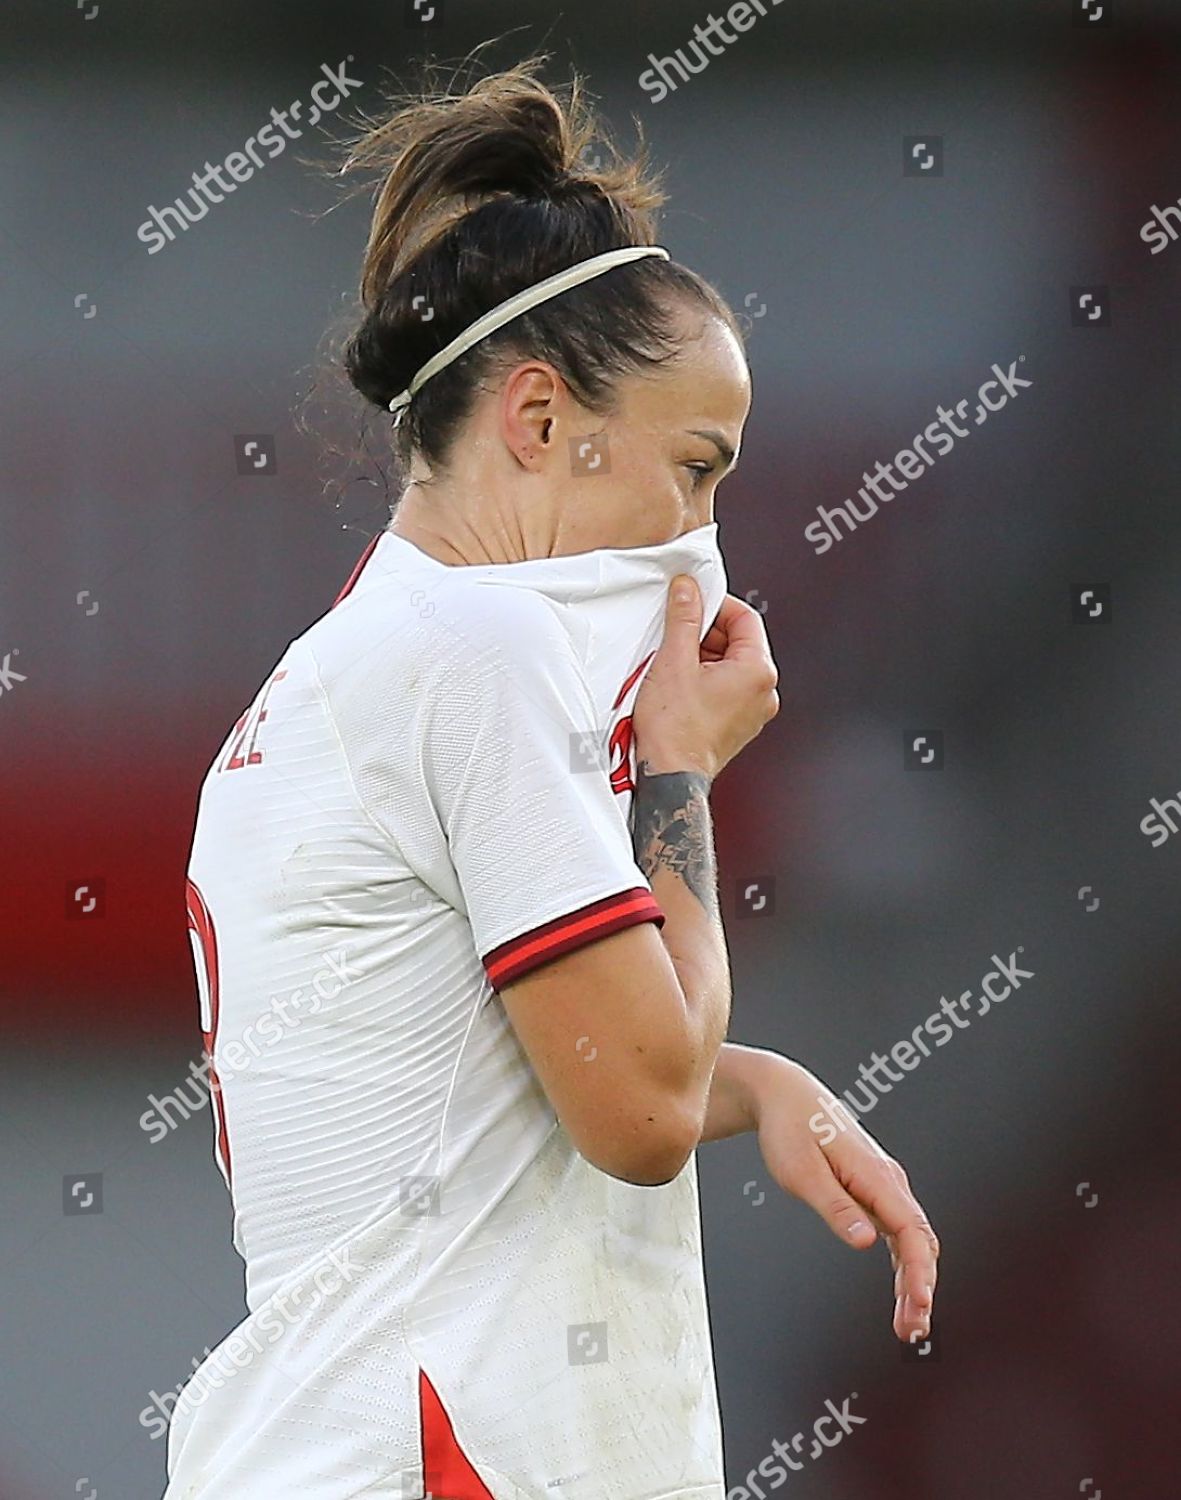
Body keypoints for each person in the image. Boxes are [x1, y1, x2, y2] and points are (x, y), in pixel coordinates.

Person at [167, 58, 938, 1500]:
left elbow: (464, 1097)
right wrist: (676, 770)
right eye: (694, 469)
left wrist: (750, 1082)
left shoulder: (334, 674)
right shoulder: (481, 646)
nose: (702, 532)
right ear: (537, 421)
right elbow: (635, 1117)